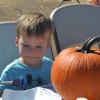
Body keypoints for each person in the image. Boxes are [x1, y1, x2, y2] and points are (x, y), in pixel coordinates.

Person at [0, 12, 54, 95]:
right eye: (26, 45)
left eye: (38, 46)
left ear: (47, 46)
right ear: (17, 42)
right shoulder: (10, 72)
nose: (32, 52)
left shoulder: (50, 66)